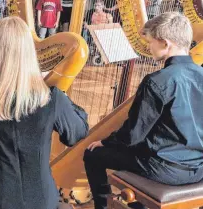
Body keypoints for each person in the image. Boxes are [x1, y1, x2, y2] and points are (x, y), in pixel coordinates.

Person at [0, 16, 88, 209]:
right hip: (42, 201)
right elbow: (77, 134)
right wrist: (56, 92)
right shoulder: (52, 98)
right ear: (29, 53)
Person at [84, 12, 203, 209]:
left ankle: (105, 206)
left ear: (165, 43)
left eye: (150, 43)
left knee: (92, 154)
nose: (148, 48)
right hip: (199, 167)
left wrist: (105, 142)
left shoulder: (157, 81)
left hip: (165, 169)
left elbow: (132, 136)